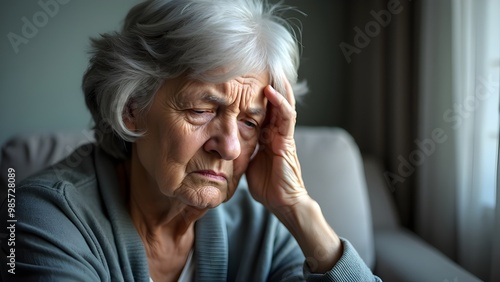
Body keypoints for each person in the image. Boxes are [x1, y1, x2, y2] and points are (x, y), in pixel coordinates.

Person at [1, 0, 381, 281]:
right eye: (202, 110)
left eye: (250, 122)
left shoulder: (260, 229)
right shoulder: (43, 217)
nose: (229, 146)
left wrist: (299, 209)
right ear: (132, 107)